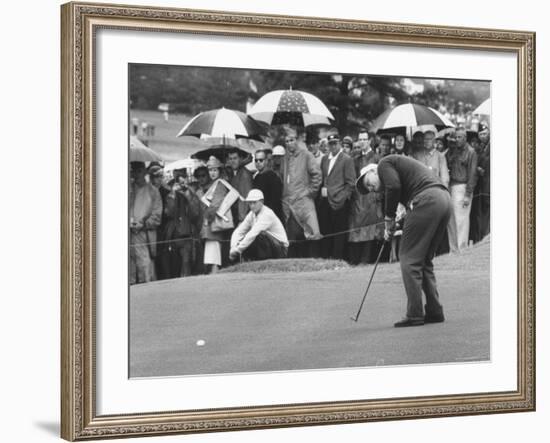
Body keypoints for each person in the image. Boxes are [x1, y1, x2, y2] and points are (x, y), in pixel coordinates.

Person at [357, 155, 451, 327]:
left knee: (409, 259)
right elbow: (406, 204)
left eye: (368, 182)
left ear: (373, 171)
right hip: (443, 199)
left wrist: (389, 219)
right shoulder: (398, 173)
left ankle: (414, 314)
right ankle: (435, 311)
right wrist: (394, 224)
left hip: (428, 199)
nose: (370, 188)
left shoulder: (384, 165)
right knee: (424, 261)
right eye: (368, 189)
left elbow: (394, 186)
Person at [281, 126, 322, 257]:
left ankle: (313, 262)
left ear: (297, 140)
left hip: (304, 202)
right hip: (290, 204)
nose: (289, 143)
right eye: (287, 141)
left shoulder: (307, 155)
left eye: (291, 140)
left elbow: (317, 175)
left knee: (312, 233)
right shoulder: (285, 158)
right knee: (293, 237)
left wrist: (310, 192)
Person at [318, 132, 356, 260]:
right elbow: (323, 178)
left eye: (335, 143)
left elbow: (351, 183)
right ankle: (326, 259)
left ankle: (337, 259)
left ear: (339, 143)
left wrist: (342, 197)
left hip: (339, 202)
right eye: (330, 144)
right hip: (325, 201)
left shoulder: (346, 159)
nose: (333, 146)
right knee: (326, 231)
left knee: (339, 233)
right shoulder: (324, 159)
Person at [229, 189, 289, 261]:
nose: (252, 206)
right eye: (250, 203)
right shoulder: (251, 214)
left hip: (281, 249)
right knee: (246, 238)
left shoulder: (267, 214)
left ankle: (263, 262)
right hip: (272, 245)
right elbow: (239, 231)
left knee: (258, 235)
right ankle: (250, 262)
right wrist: (233, 247)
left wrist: (238, 250)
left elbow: (253, 233)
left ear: (262, 202)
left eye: (254, 203)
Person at [162, 172, 201, 278]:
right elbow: (168, 213)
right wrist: (173, 196)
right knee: (174, 264)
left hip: (187, 233)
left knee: (186, 263)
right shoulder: (170, 196)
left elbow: (195, 214)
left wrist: (187, 195)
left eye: (182, 182)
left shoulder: (190, 194)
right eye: (176, 183)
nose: (179, 186)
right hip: (173, 234)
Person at [129, 161, 162, 284]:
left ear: (144, 172)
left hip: (143, 234)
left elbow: (157, 216)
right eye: (133, 171)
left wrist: (144, 224)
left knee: (145, 265)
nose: (135, 174)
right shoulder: (128, 189)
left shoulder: (153, 191)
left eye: (138, 171)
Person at [446, 127, 478, 252]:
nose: (457, 139)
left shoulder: (471, 152)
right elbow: (447, 162)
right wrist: (450, 145)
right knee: (452, 221)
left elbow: (472, 174)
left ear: (465, 138)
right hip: (452, 187)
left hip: (463, 187)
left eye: (460, 137)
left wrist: (467, 194)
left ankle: (461, 249)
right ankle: (453, 249)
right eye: (456, 137)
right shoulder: (454, 150)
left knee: (461, 221)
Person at [200, 156, 234, 274]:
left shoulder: (220, 184)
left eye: (215, 170)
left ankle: (214, 275)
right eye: (210, 170)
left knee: (213, 253)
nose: (212, 173)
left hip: (214, 222)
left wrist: (207, 219)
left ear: (219, 170)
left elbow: (215, 204)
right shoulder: (215, 183)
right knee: (212, 253)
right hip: (213, 222)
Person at [471, 122, 491, 242]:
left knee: (488, 213)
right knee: (480, 215)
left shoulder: (491, 146)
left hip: (488, 185)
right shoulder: (479, 148)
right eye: (481, 134)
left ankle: (486, 237)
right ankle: (482, 238)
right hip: (480, 187)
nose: (483, 136)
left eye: (485, 133)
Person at [252, 149, 284, 223]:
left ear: (266, 161)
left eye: (261, 160)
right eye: (256, 160)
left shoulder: (273, 177)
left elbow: (275, 202)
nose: (258, 162)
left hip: (271, 219)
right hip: (260, 218)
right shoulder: (257, 177)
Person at [227, 149, 253, 225]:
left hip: (241, 218)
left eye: (235, 158)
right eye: (230, 159)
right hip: (236, 215)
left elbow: (244, 198)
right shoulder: (236, 172)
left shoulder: (244, 174)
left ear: (241, 159)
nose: (232, 161)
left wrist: (242, 219)